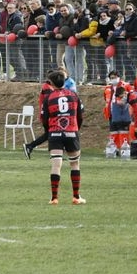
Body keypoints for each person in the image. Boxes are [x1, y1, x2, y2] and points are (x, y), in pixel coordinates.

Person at [40, 69, 85, 205]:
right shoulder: (73, 95)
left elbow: (43, 118)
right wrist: (76, 127)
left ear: (51, 83)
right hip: (72, 131)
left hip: (55, 133)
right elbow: (81, 114)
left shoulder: (49, 97)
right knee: (75, 163)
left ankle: (54, 198)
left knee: (56, 164)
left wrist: (49, 130)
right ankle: (76, 197)